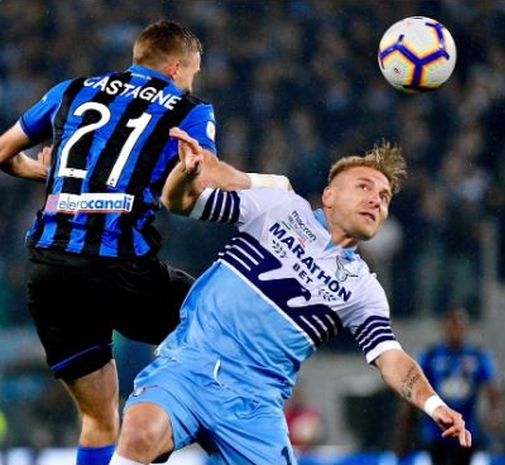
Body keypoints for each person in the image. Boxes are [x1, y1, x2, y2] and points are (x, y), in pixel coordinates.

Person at [0, 20, 286, 465]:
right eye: (192, 72)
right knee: (222, 329)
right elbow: (201, 177)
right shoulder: (188, 108)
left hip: (48, 268)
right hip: (117, 269)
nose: (192, 81)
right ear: (176, 68)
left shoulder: (70, 90)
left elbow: (3, 151)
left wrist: (46, 173)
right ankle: (171, 440)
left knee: (98, 419)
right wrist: (272, 185)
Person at [107, 131, 471, 465]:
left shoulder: (363, 288)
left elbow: (389, 357)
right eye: (364, 187)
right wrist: (187, 174)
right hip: (189, 366)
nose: (376, 200)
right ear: (329, 195)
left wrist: (433, 403)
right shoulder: (279, 207)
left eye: (385, 197)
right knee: (139, 434)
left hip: (255, 405)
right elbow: (179, 201)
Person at [394, 308, 502, 465]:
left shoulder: (477, 356)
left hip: (467, 433)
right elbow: (413, 393)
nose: (455, 331)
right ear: (444, 328)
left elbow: (493, 391)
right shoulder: (430, 356)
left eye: (459, 326)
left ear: (466, 329)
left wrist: (495, 415)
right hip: (435, 435)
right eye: (451, 326)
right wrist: (403, 434)